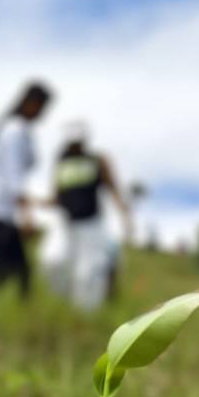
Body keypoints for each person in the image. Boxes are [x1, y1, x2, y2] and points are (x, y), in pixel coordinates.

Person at [0, 81, 52, 298]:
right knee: (16, 272)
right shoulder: (14, 131)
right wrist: (26, 216)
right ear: (29, 103)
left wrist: (36, 203)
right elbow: (13, 178)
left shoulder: (20, 131)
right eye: (41, 107)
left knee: (10, 272)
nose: (42, 113)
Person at [41, 121, 131, 313]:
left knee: (88, 273)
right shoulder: (61, 162)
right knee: (52, 261)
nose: (74, 147)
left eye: (77, 143)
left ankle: (84, 316)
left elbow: (112, 189)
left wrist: (125, 216)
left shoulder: (97, 161)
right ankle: (61, 306)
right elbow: (55, 196)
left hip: (91, 225)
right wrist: (35, 203)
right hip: (63, 223)